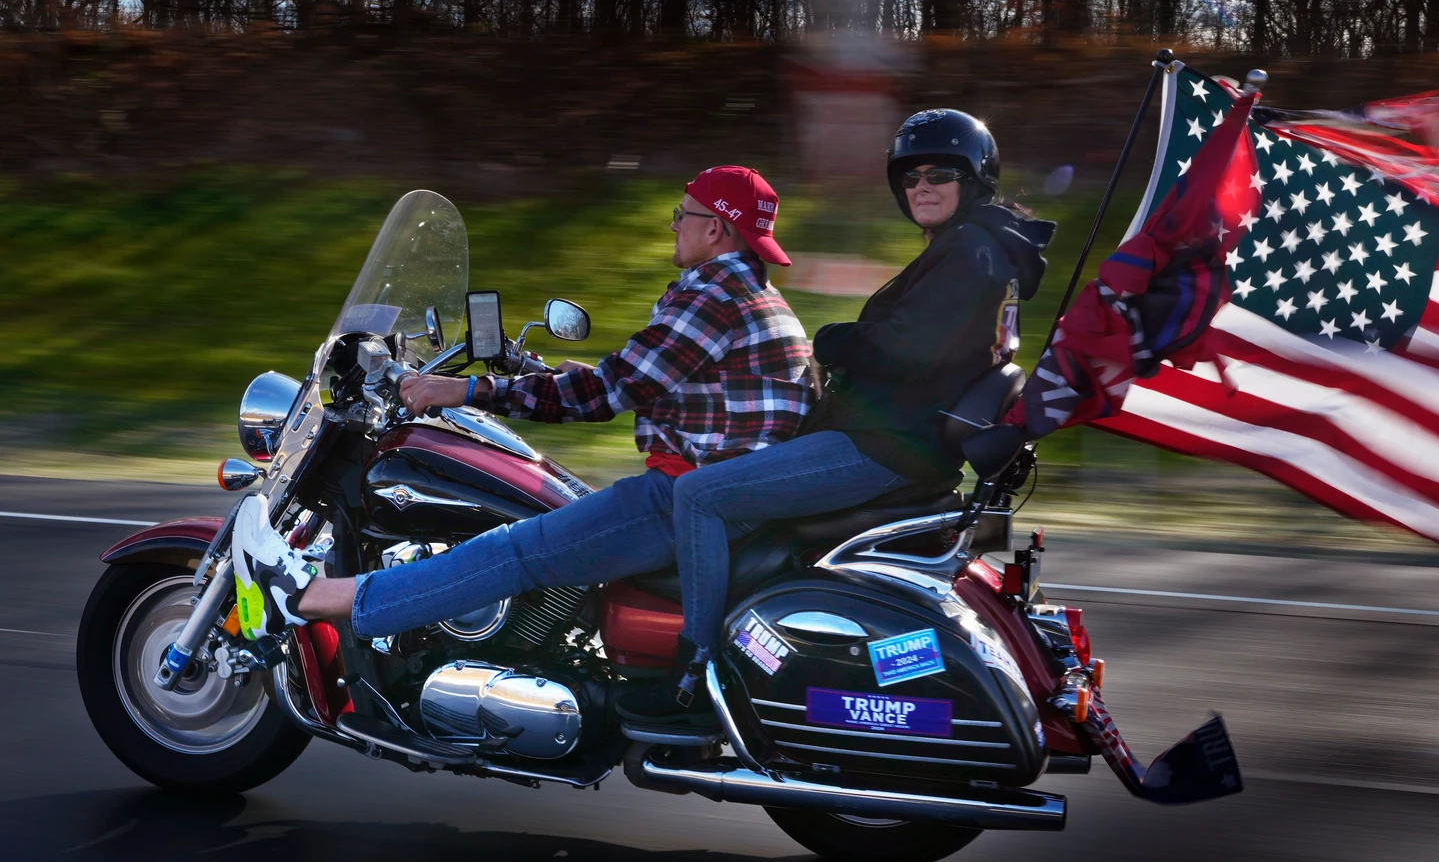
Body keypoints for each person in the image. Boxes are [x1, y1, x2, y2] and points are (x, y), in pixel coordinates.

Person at [228, 166, 814, 700]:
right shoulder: (755, 296)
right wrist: (554, 376)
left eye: (683, 214)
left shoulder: (711, 295)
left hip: (686, 498)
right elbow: (675, 385)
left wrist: (465, 390)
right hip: (730, 494)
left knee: (508, 550)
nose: (673, 224)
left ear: (715, 228)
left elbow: (603, 396)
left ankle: (304, 598)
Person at [667, 109, 1056, 706]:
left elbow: (909, 350)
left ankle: (694, 669)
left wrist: (831, 341)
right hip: (905, 441)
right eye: (910, 177)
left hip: (887, 448)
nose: (922, 187)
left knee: (698, 494)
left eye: (940, 174)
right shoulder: (982, 247)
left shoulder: (971, 251)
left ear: (975, 179)